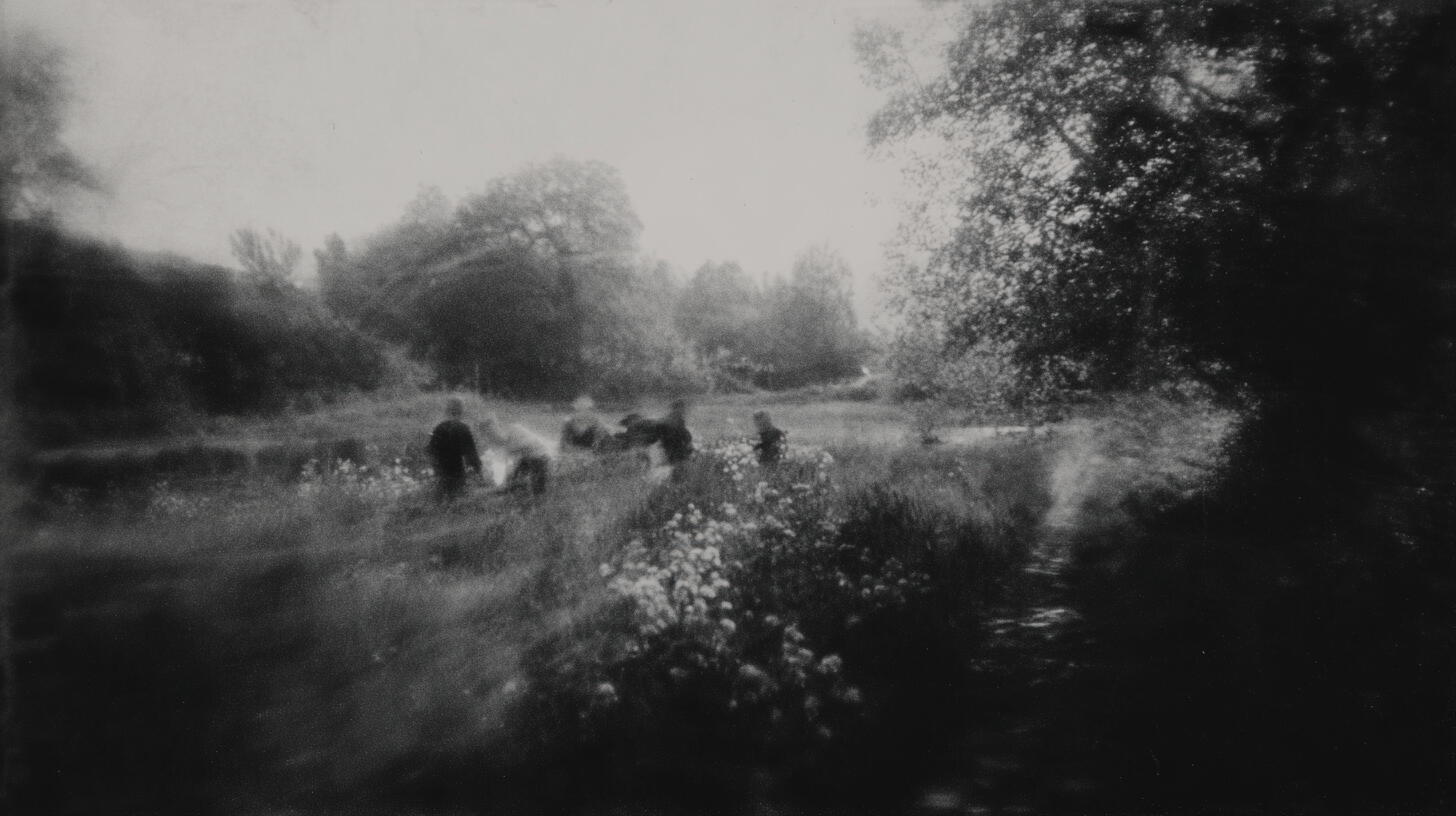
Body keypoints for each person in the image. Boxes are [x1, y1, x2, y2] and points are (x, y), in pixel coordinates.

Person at [479, 414, 554, 495]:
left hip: (540, 457)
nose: (492, 437)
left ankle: (536, 497)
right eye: (489, 435)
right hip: (527, 458)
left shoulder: (514, 430)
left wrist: (508, 477)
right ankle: (508, 492)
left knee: (536, 489)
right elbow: (509, 462)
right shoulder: (505, 439)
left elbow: (521, 450)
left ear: (497, 427)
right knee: (512, 483)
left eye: (491, 432)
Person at [426, 396, 483, 500]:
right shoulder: (463, 428)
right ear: (462, 411)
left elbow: (430, 452)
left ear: (447, 410)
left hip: (440, 475)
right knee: (458, 500)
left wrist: (436, 470)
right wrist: (480, 475)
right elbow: (472, 457)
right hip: (457, 475)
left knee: (440, 501)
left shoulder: (439, 428)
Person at [658, 399, 695, 465]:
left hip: (671, 449)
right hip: (674, 449)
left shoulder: (670, 419)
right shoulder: (676, 419)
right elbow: (684, 434)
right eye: (681, 409)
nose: (683, 411)